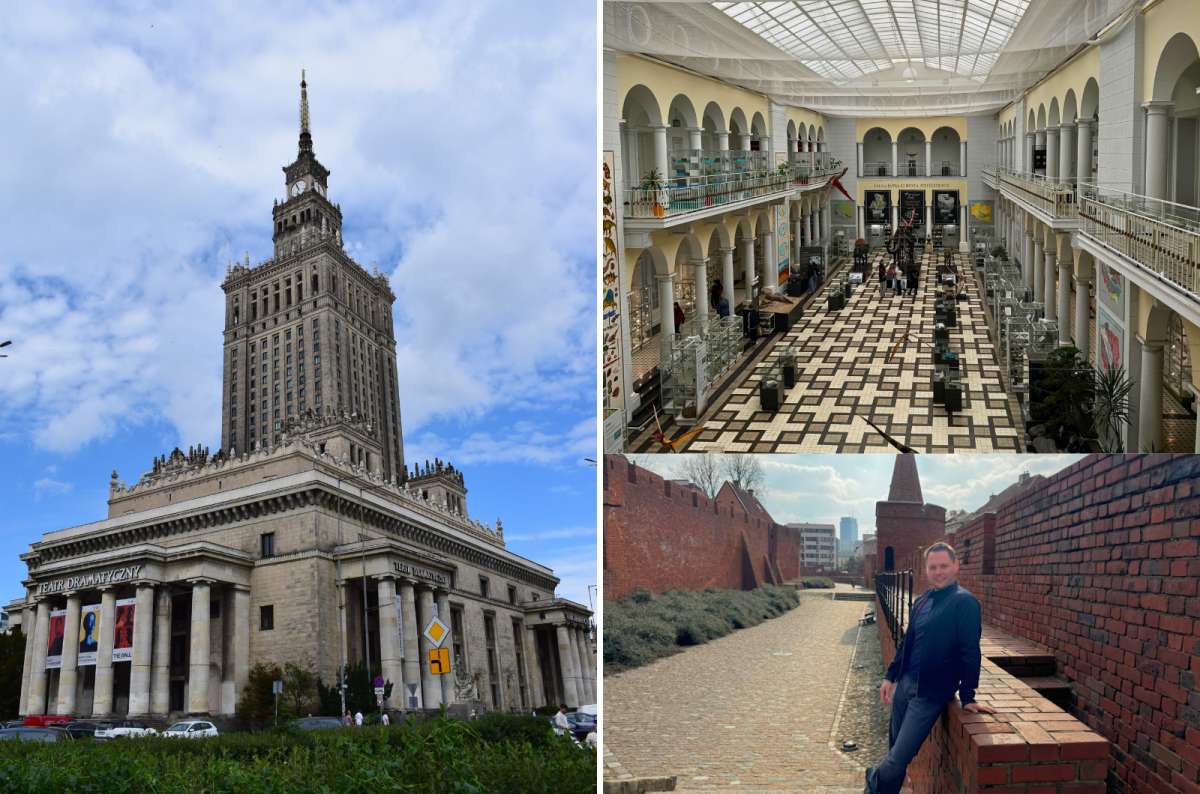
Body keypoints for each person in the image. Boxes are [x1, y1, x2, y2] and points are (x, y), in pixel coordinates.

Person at [864, 543, 996, 794]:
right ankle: (893, 783)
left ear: (956, 566)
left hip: (930, 694)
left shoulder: (965, 603)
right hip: (905, 686)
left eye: (944, 566)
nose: (938, 572)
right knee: (894, 749)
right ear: (926, 570)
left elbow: (970, 651)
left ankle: (873, 782)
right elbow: (908, 642)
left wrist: (968, 696)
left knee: (896, 759)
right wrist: (890, 676)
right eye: (933, 567)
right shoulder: (923, 600)